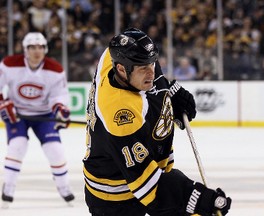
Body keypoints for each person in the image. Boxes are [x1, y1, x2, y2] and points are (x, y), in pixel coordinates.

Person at [83, 28, 231, 216]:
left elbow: (143, 56)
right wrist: (196, 198)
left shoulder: (116, 58)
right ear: (121, 69)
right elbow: (149, 186)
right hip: (114, 196)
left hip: (151, 170)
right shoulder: (121, 115)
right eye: (143, 68)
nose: (151, 72)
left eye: (152, 63)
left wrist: (169, 90)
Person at [0, 32, 75, 206]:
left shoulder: (55, 69)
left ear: (45, 49)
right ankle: (8, 188)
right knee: (17, 145)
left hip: (44, 115)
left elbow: (59, 96)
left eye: (40, 47)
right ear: (25, 49)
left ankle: (64, 189)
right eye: (32, 47)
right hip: (17, 114)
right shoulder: (9, 64)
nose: (37, 51)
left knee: (55, 150)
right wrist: (3, 104)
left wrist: (60, 109)